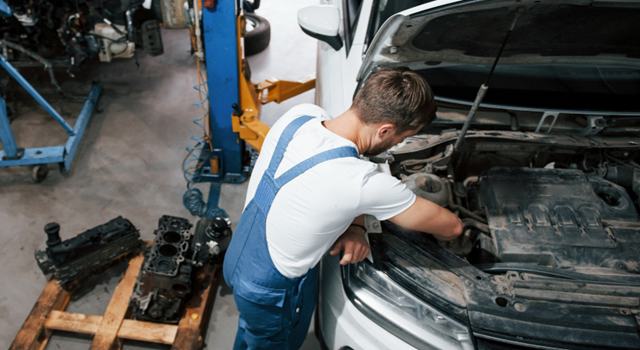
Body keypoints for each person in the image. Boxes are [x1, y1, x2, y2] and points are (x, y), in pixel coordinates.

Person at [223, 68, 463, 349]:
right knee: (273, 343)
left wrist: (357, 225)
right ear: (385, 129)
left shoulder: (301, 114)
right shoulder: (364, 182)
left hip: (241, 257)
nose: (397, 145)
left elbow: (343, 189)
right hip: (270, 291)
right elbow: (451, 226)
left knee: (254, 333)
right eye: (400, 139)